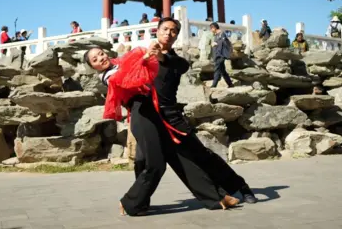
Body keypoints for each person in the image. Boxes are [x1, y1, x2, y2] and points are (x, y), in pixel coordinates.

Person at [84, 45, 240, 216]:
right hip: (142, 114)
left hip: (155, 110)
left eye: (100, 53)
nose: (100, 58)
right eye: (95, 59)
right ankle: (130, 202)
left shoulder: (119, 62)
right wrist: (142, 60)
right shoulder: (108, 76)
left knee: (179, 156)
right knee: (156, 164)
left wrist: (148, 56)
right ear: (93, 67)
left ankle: (214, 197)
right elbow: (127, 77)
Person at [135, 17, 257, 206]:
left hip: (171, 117)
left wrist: (160, 57)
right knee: (142, 160)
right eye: (165, 29)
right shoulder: (140, 56)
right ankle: (139, 202)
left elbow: (179, 65)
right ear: (156, 31)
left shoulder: (176, 61)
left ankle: (239, 186)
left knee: (200, 154)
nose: (168, 33)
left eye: (173, 30)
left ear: (176, 36)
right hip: (148, 118)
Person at [210, 22, 234, 88]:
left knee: (217, 70)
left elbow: (223, 43)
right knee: (223, 71)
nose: (211, 30)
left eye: (211, 28)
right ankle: (230, 84)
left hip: (220, 55)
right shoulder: (216, 35)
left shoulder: (221, 34)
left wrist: (216, 43)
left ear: (214, 28)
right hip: (218, 55)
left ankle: (214, 85)